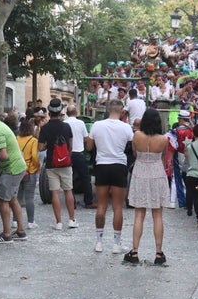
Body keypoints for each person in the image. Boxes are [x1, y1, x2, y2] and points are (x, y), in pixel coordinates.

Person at [88, 99, 134, 254]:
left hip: (102, 165)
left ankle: (99, 242)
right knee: (117, 207)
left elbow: (89, 146)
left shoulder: (97, 125)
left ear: (107, 110)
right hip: (119, 165)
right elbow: (132, 147)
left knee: (101, 205)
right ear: (122, 111)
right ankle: (116, 244)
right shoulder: (126, 127)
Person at [125, 108, 170, 266]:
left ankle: (134, 251)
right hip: (157, 172)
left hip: (141, 172)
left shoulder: (137, 135)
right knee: (157, 215)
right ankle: (159, 252)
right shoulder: (164, 139)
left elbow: (135, 153)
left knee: (139, 214)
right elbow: (163, 157)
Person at [0, 107, 28, 244]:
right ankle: (20, 231)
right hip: (16, 166)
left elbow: (3, 155)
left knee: (3, 200)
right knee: (12, 199)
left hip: (11, 169)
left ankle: (7, 234)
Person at [38, 98, 78, 230]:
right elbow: (70, 146)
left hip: (51, 163)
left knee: (55, 193)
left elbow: (40, 148)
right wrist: (66, 156)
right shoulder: (66, 126)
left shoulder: (45, 128)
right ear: (60, 112)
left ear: (49, 112)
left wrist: (48, 145)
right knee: (68, 190)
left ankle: (59, 222)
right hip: (65, 163)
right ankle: (72, 220)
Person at [65, 104, 94, 208]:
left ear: (67, 113)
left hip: (67, 154)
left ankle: (71, 202)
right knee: (85, 178)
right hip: (79, 153)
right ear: (76, 113)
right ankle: (88, 202)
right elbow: (86, 138)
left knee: (69, 179)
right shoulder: (81, 123)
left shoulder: (64, 123)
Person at [16, 118, 41, 230]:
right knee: (29, 198)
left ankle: (15, 220)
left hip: (18, 170)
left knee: (18, 197)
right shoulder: (33, 140)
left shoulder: (16, 139)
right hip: (29, 170)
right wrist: (37, 167)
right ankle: (31, 221)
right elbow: (35, 156)